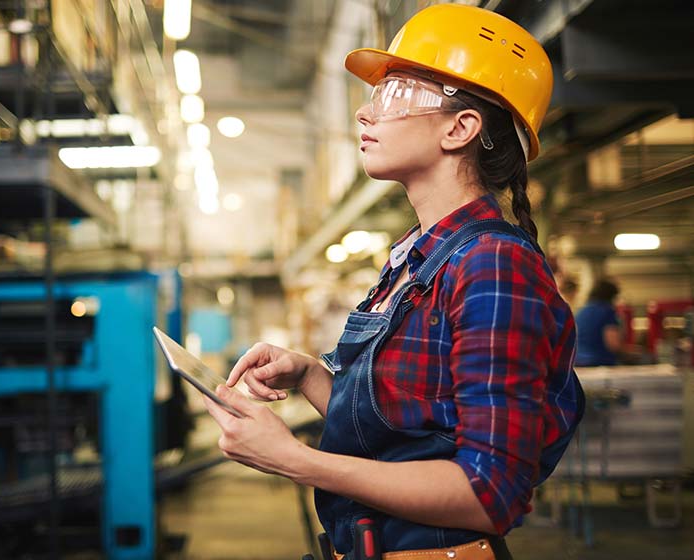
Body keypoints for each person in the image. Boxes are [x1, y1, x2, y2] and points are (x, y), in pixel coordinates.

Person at [201, 5, 585, 559]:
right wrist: (310, 373)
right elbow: (408, 434)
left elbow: (489, 493)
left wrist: (296, 461)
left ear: (460, 128)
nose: (365, 113)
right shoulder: (416, 258)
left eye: (397, 94)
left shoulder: (492, 264)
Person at [575, 279, 622, 366]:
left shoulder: (581, 311)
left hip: (579, 362)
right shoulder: (608, 311)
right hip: (600, 362)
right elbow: (612, 343)